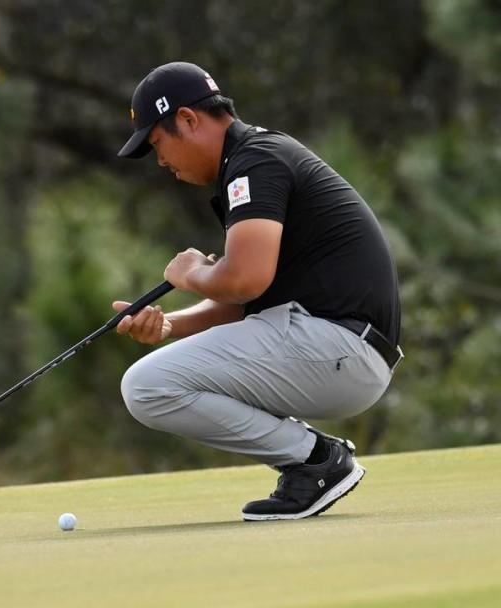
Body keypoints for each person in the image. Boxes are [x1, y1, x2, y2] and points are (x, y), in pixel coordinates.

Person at [114, 62, 403, 521]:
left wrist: (190, 273)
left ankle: (314, 461)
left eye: (157, 144)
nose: (161, 161)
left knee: (147, 386)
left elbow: (245, 280)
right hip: (339, 348)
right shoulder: (253, 157)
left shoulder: (255, 162)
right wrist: (170, 325)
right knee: (151, 381)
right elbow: (246, 300)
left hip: (338, 345)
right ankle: (312, 460)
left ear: (188, 120)